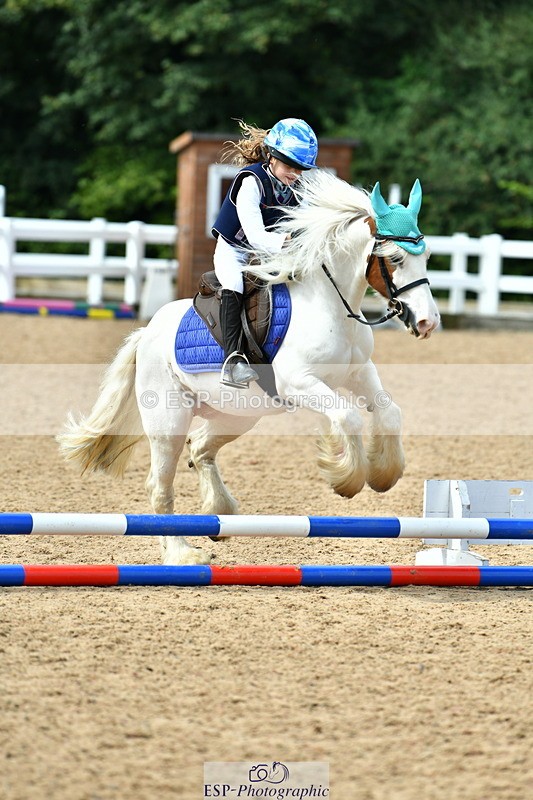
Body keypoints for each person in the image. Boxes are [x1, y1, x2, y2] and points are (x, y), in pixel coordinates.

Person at [212, 117, 318, 388]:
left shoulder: (295, 189)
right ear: (271, 156)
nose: (294, 173)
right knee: (234, 283)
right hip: (234, 251)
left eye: (300, 168)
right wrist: (293, 240)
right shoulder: (251, 182)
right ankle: (233, 361)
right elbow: (256, 237)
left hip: (271, 254)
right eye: (289, 165)